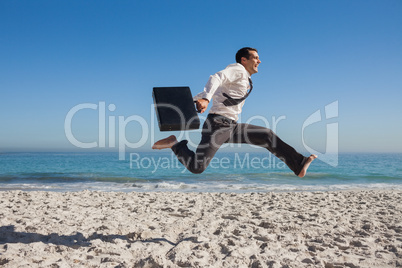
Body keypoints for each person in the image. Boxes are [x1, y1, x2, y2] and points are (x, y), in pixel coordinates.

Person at [152, 47, 317, 177]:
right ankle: (174, 143)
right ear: (243, 60)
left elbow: (217, 91)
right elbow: (216, 77)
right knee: (197, 167)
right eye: (255, 57)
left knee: (266, 135)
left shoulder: (245, 79)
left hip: (231, 126)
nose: (260, 61)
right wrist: (206, 100)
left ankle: (299, 164)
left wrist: (197, 100)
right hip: (217, 125)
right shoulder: (238, 69)